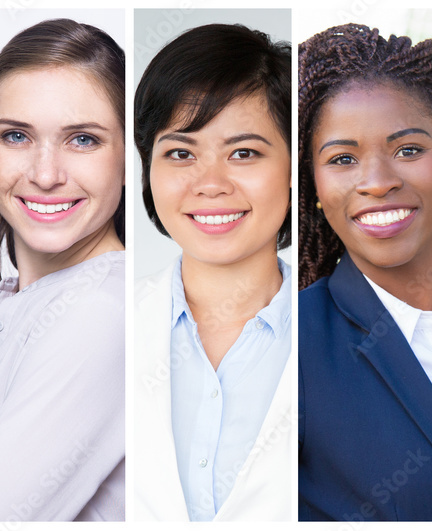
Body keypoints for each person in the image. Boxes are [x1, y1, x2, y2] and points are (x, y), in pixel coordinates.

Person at [0, 18, 125, 521]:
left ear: (128, 154)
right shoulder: (14, 296)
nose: (45, 174)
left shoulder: (99, 314)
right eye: (16, 136)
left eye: (82, 140)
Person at [132, 23, 292, 521]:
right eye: (180, 153)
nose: (211, 184)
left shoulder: (356, 335)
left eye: (243, 153)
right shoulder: (100, 323)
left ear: (294, 167)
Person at [298, 23, 432, 521]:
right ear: (315, 188)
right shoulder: (288, 342)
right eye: (343, 159)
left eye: (408, 150)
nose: (378, 182)